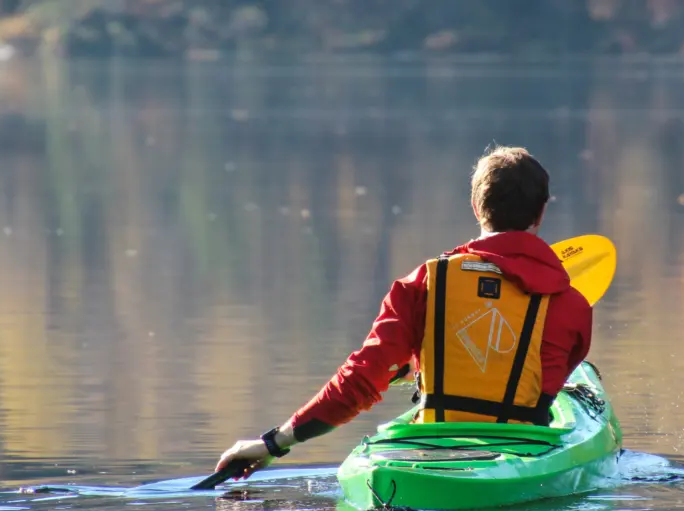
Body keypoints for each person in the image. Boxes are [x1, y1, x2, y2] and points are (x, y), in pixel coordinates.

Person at [213, 145, 593, 479]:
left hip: (425, 458)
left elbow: (359, 381)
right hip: (522, 460)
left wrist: (272, 444)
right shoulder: (572, 306)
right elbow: (540, 378)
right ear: (541, 213)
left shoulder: (422, 284)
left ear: (477, 208)